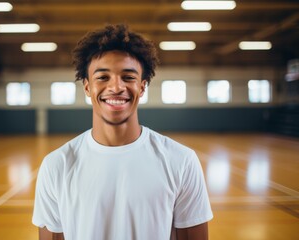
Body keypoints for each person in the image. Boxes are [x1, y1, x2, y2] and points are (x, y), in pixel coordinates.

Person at [32, 24, 213, 240]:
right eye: (102, 77)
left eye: (128, 77)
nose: (116, 87)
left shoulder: (181, 161)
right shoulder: (56, 166)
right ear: (87, 87)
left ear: (142, 87)